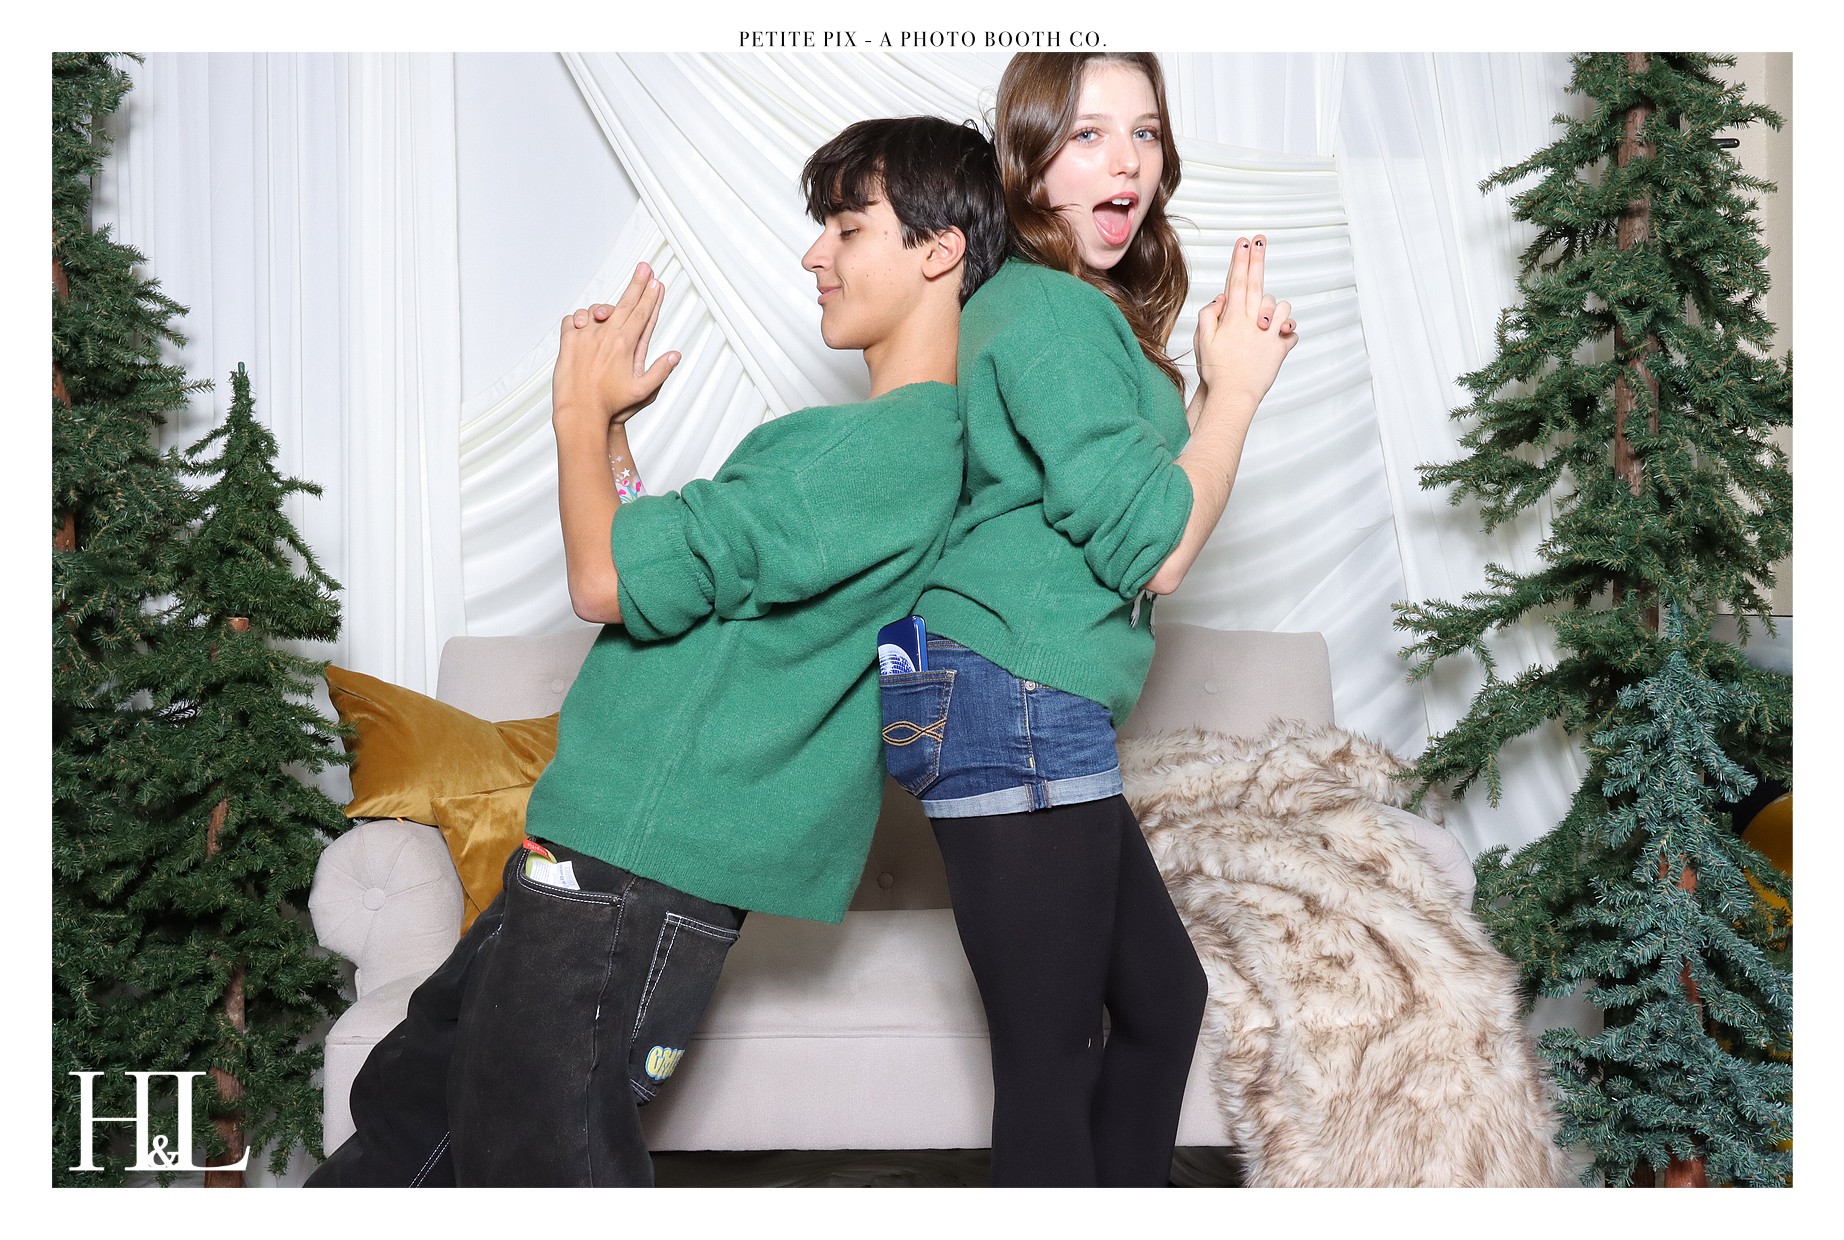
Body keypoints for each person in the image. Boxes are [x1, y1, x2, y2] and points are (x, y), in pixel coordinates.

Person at [307, 114, 1009, 1187]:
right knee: (414, 1116)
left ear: (939, 251)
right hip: (602, 848)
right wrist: (614, 437)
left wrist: (572, 413)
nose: (814, 254)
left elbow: (602, 581)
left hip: (636, 864)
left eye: (846, 227)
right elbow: (665, 587)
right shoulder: (861, 450)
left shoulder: (884, 448)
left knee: (542, 1165)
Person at [879, 52, 1298, 1187]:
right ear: (1028, 164)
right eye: (1087, 135)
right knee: (1050, 1061)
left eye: (1145, 133)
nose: (1127, 162)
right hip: (1012, 685)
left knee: (1163, 1001)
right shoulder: (1048, 311)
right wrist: (1235, 395)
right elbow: (1157, 548)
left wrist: (1205, 388)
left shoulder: (1056, 310)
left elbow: (1138, 499)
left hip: (1014, 686)